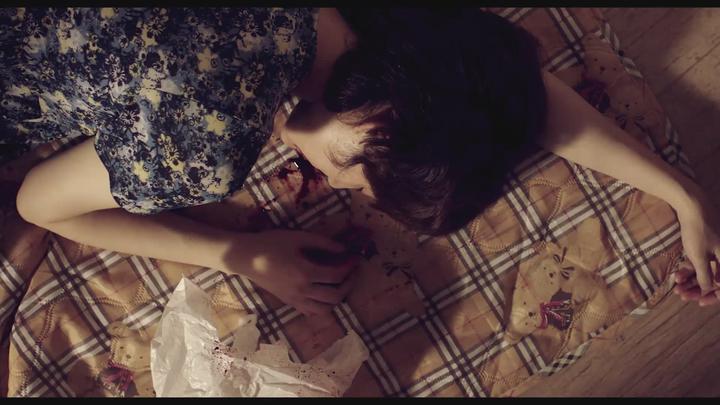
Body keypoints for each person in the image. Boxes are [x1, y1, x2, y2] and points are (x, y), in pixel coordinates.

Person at [2, 8, 719, 316]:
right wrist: (238, 255)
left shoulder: (385, 33)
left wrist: (684, 196)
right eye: (353, 176)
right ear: (373, 124)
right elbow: (38, 203)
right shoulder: (201, 142)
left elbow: (511, 93)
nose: (332, 181)